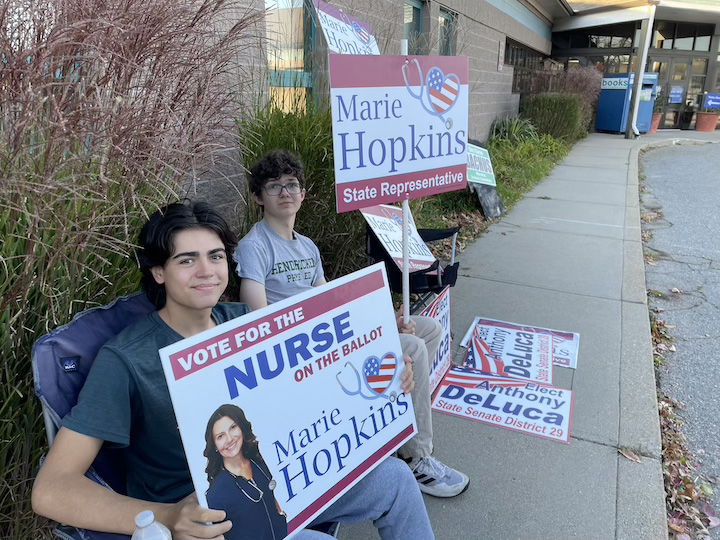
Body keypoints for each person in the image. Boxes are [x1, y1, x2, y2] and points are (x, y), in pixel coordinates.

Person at [32, 200, 435, 540]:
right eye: (186, 260)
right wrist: (167, 517)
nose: (207, 271)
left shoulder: (245, 321)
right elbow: (52, 490)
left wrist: (383, 376)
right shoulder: (127, 360)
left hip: (286, 478)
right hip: (210, 517)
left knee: (396, 480)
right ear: (159, 272)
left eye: (216, 256)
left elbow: (318, 386)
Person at [234, 150, 470, 498]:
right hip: (302, 352)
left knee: (425, 329)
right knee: (413, 348)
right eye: (273, 186)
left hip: (327, 333)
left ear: (303, 193)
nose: (285, 192)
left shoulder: (308, 247)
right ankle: (416, 457)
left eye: (292, 184)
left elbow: (330, 302)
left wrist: (384, 321)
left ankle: (392, 420)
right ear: (258, 196)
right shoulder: (255, 246)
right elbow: (260, 318)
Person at [204, 404, 286, 540]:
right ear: (215, 446)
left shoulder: (259, 462)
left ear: (241, 427)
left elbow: (271, 497)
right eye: (220, 436)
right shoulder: (215, 494)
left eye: (233, 427)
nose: (230, 439)